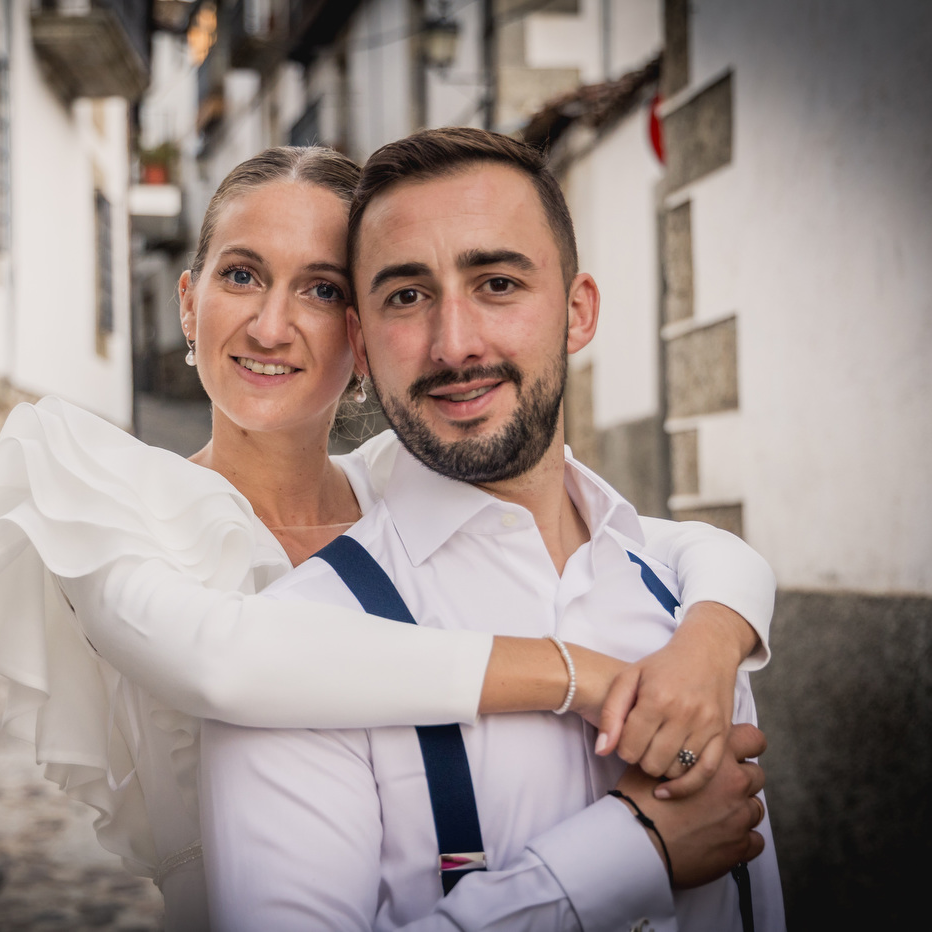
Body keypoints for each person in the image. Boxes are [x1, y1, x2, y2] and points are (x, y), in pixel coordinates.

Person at [0, 146, 778, 932]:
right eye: (243, 274)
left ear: (360, 338)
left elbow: (671, 545)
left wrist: (708, 642)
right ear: (189, 299)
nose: (268, 326)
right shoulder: (114, 506)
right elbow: (230, 660)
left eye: (323, 288)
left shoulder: (399, 484)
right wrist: (580, 675)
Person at [200, 128, 785, 931]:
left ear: (578, 312)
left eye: (498, 283)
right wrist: (632, 849)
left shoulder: (691, 607)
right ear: (363, 347)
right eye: (407, 295)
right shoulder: (298, 647)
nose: (456, 344)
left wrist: (718, 631)